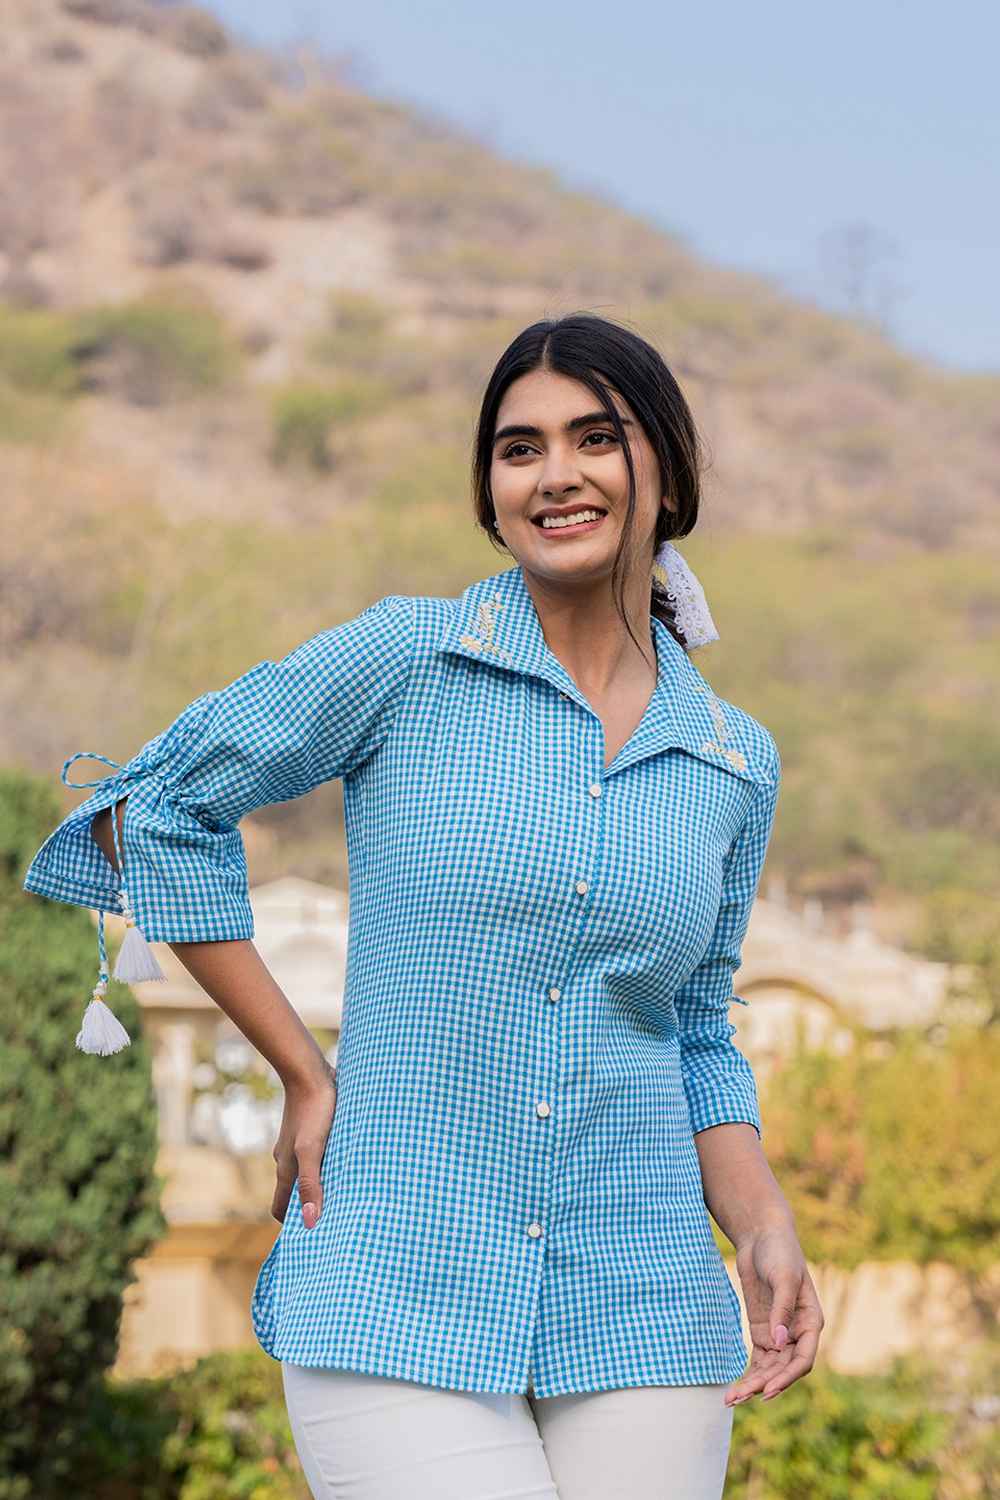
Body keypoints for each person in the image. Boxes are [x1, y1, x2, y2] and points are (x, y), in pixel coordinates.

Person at [23, 312, 824, 1499]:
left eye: (595, 438)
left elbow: (697, 1027)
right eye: (518, 448)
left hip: (644, 1295)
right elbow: (156, 807)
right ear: (489, 489)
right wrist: (304, 1071)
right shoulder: (408, 659)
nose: (555, 474)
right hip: (397, 1273)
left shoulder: (732, 758)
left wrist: (759, 1222)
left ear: (667, 466)